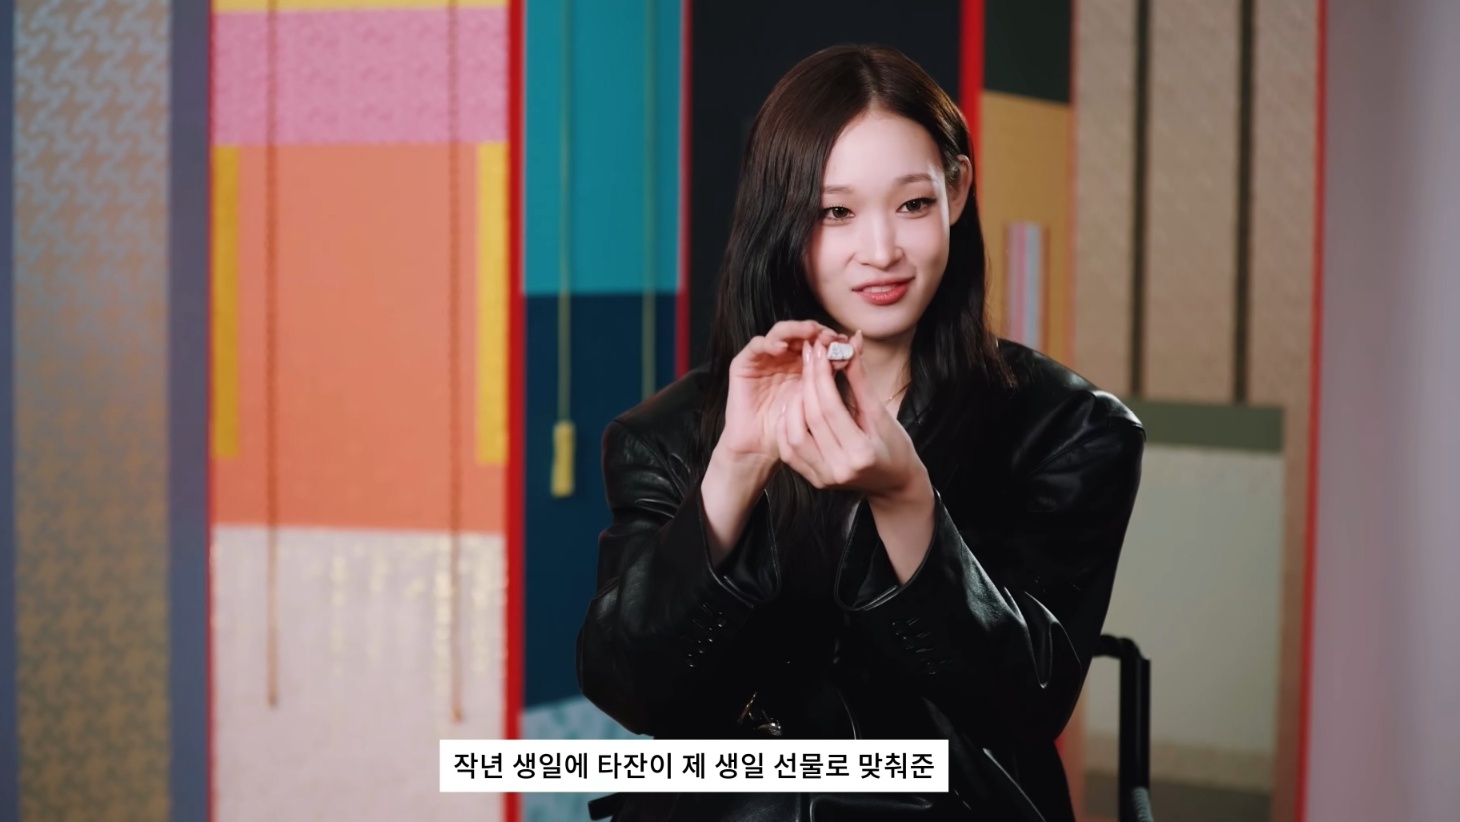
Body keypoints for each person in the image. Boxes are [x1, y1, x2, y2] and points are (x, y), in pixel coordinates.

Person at [577, 43, 1145, 822]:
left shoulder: (1070, 430)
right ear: (782, 220)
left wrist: (906, 499)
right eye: (834, 212)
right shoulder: (667, 435)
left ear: (956, 190)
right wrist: (734, 468)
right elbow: (631, 689)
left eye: (912, 204)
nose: (881, 252)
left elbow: (1026, 704)